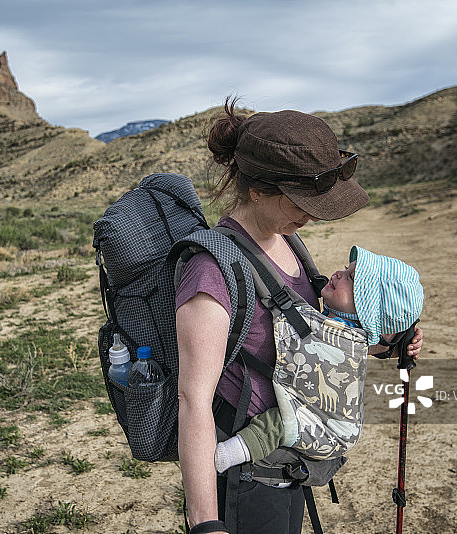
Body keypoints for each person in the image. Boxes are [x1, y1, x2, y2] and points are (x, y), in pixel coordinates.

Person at [175, 100, 424, 534]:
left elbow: (310, 335)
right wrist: (206, 523)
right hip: (247, 478)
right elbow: (192, 400)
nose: (311, 215)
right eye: (301, 202)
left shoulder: (286, 241)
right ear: (257, 191)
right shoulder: (212, 273)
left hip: (288, 467)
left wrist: (385, 344)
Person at [214, 246, 425, 473]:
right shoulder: (345, 329)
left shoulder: (344, 337)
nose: (337, 274)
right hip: (333, 419)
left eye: (351, 278)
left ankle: (230, 454)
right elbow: (370, 345)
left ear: (368, 309)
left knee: (279, 424)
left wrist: (396, 345)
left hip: (329, 430)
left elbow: (356, 349)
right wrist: (394, 347)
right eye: (345, 269)